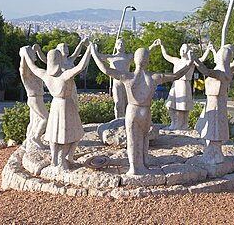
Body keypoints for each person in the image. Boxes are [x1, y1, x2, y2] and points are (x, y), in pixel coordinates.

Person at [91, 43, 194, 175]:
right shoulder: (154, 77)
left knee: (133, 140)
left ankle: (134, 168)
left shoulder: (127, 76)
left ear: (134, 60)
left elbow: (105, 69)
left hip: (133, 111)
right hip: (146, 111)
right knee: (144, 139)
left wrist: (94, 52)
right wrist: (190, 62)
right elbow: (176, 75)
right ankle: (144, 165)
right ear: (147, 61)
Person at [20, 43, 91, 171]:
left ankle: (54, 159)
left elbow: (32, 66)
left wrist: (25, 55)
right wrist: (90, 49)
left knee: (54, 134)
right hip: (67, 105)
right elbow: (81, 66)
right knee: (74, 133)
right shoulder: (65, 75)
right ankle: (67, 157)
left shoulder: (45, 74)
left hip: (55, 106)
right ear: (59, 61)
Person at [193, 44, 234, 164]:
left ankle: (214, 154)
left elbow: (205, 70)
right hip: (214, 102)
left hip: (215, 103)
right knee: (212, 127)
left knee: (213, 128)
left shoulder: (219, 73)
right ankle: (213, 152)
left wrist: (194, 59)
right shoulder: (228, 70)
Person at [95, 38, 159, 118]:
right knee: (118, 103)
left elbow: (142, 53)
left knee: (127, 103)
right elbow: (98, 56)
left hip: (127, 82)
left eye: (122, 44)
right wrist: (93, 48)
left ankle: (126, 120)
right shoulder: (110, 57)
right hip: (116, 83)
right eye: (118, 43)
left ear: (125, 46)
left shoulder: (128, 56)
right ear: (115, 46)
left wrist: (152, 46)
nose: (120, 45)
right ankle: (118, 120)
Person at [158, 40, 214, 130]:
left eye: (185, 49)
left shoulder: (191, 62)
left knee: (182, 107)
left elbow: (202, 59)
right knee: (170, 105)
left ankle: (181, 125)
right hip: (176, 84)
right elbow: (166, 56)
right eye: (182, 49)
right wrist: (161, 45)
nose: (182, 51)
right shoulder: (176, 60)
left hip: (184, 85)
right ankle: (174, 122)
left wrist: (208, 49)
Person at [19, 47, 49, 151]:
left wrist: (35, 51)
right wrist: (24, 56)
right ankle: (36, 138)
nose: (34, 55)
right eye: (32, 53)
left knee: (33, 122)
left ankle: (28, 140)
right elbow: (22, 71)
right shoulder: (26, 71)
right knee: (45, 118)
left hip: (37, 98)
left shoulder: (33, 69)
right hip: (34, 98)